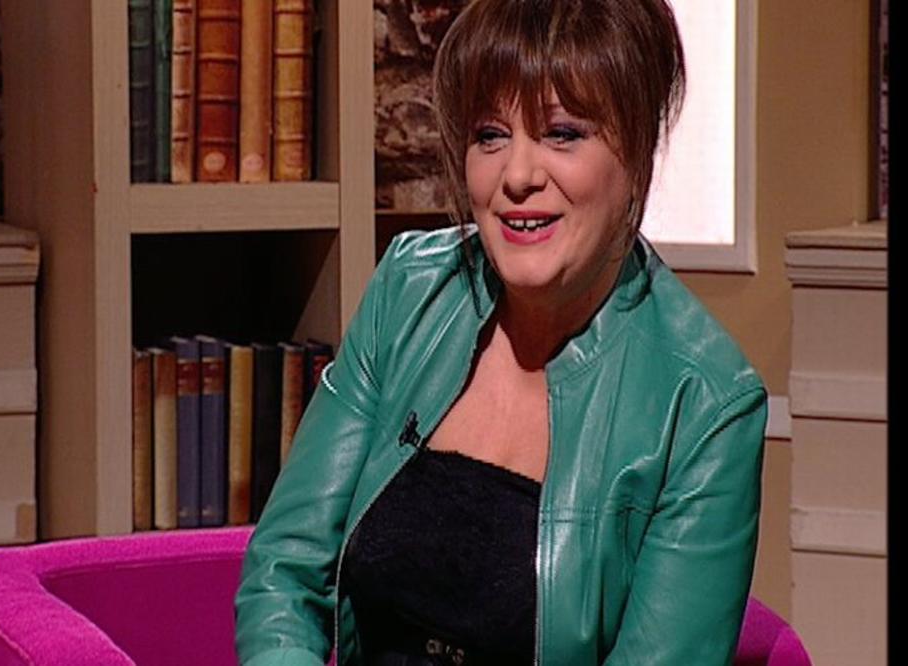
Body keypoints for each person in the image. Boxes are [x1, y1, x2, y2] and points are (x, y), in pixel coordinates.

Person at [235, 0, 767, 664]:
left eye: (562, 134)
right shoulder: (408, 289)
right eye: (490, 135)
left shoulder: (708, 405)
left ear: (636, 150)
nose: (517, 176)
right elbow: (284, 571)